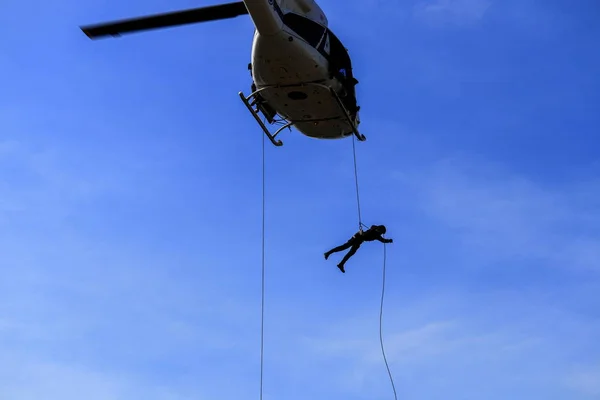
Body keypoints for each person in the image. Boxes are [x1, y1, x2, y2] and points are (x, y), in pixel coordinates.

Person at [324, 225, 393, 273]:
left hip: (359, 241)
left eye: (381, 233)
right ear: (379, 229)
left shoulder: (377, 236)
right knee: (344, 247)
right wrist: (373, 229)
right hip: (357, 237)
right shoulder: (373, 230)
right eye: (381, 232)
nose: (381, 233)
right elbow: (372, 227)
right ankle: (328, 253)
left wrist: (389, 240)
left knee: (351, 253)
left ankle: (341, 264)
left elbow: (383, 240)